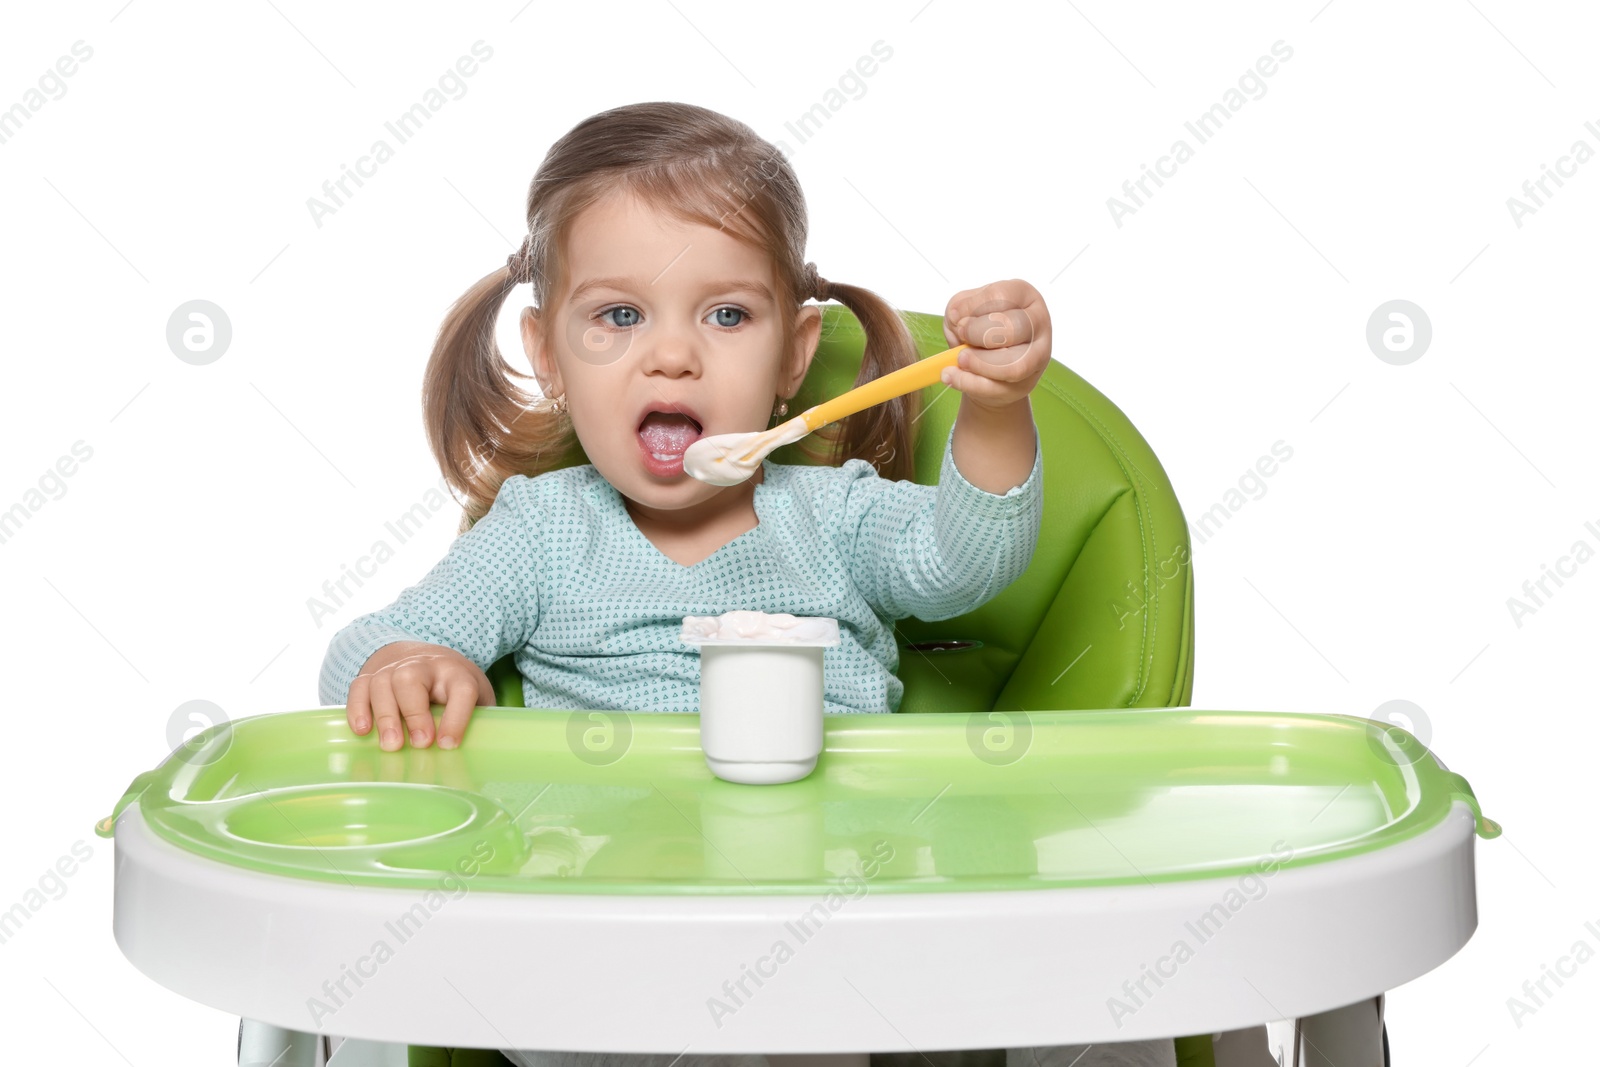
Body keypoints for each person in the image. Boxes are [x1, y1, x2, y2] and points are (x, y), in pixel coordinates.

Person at [316, 101, 1176, 1067]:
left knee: (1104, 1005)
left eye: (727, 314)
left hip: (848, 920)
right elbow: (374, 646)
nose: (673, 352)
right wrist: (403, 661)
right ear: (550, 353)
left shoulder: (837, 517)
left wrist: (996, 414)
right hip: (606, 940)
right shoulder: (542, 532)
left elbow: (962, 560)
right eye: (619, 316)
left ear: (793, 357)